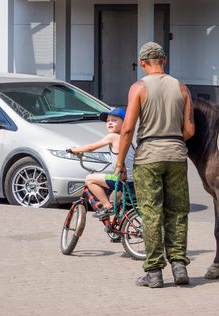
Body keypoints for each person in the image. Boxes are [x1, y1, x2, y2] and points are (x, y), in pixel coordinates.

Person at [116, 42, 195, 288]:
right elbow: (190, 130)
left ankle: (154, 273)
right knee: (178, 212)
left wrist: (120, 163)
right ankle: (179, 265)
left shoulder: (138, 87)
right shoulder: (181, 87)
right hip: (176, 156)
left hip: (148, 157)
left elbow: (128, 128)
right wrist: (171, 142)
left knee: (151, 213)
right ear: (165, 60)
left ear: (142, 63)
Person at [70, 108, 135, 218]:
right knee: (113, 199)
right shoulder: (130, 140)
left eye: (114, 120)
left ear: (124, 123)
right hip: (132, 179)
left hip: (122, 179)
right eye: (108, 120)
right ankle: (121, 223)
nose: (110, 122)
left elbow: (91, 147)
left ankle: (107, 207)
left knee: (89, 179)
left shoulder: (113, 136)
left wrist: (76, 150)